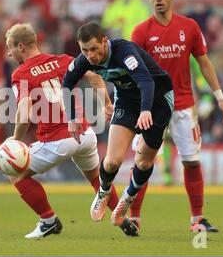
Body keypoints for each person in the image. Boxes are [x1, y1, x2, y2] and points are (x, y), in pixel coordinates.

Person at [130, 0, 223, 233]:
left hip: (183, 106)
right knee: (143, 163)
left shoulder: (189, 27)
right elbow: (133, 73)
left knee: (191, 160)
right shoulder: (141, 32)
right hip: (153, 109)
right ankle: (134, 219)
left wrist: (219, 96)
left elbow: (204, 62)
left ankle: (197, 220)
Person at [5, 23, 120, 239]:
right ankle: (125, 219)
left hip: (57, 139)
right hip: (85, 134)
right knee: (97, 178)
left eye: (9, 47)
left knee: (15, 173)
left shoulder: (20, 73)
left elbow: (24, 112)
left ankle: (48, 220)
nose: (9, 53)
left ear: (21, 46)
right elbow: (95, 78)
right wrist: (106, 103)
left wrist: (15, 140)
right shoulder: (63, 60)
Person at [63, 22, 174, 236]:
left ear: (105, 41)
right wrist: (72, 117)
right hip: (126, 102)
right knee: (112, 160)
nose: (90, 55)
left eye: (94, 48)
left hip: (157, 100)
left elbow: (146, 81)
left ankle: (128, 197)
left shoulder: (124, 51)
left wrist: (145, 110)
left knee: (144, 161)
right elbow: (67, 83)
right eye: (84, 50)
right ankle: (104, 191)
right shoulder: (84, 60)